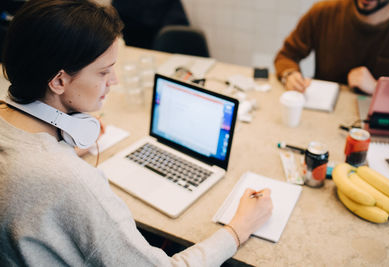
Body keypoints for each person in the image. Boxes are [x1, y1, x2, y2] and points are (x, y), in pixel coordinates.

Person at [0, 0, 273, 265]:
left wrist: (66, 148)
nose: (114, 81)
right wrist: (239, 228)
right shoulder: (73, 181)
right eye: (104, 72)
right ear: (59, 81)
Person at [274, 0, 389, 95]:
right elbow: (286, 55)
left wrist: (378, 88)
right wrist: (290, 75)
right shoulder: (324, 12)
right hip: (325, 115)